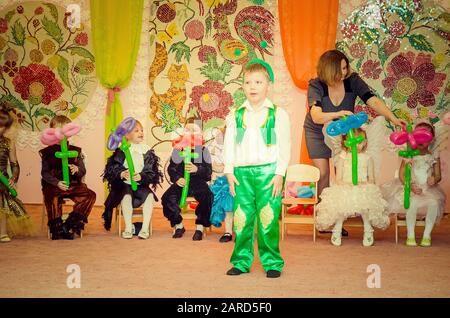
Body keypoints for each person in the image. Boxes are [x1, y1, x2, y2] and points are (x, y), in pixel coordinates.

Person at [224, 61, 291, 278]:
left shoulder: (277, 114)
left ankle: (272, 262)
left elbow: (285, 146)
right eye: (248, 82)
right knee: (242, 219)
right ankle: (241, 261)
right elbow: (229, 145)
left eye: (258, 82)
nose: (253, 86)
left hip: (268, 174)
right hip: (242, 175)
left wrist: (280, 173)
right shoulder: (235, 115)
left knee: (268, 218)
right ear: (242, 86)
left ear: (268, 85)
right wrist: (229, 171)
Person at [316, 125, 389, 246]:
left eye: (359, 142)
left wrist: (363, 184)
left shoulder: (367, 158)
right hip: (346, 187)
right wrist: (347, 184)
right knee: (341, 206)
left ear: (364, 142)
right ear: (346, 142)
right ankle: (337, 229)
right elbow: (338, 178)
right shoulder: (343, 157)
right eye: (353, 142)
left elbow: (371, 178)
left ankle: (368, 230)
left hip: (362, 187)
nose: (356, 145)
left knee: (365, 204)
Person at [382, 120, 445, 247]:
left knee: (434, 203)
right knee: (412, 204)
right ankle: (410, 235)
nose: (421, 141)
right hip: (411, 188)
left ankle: (426, 235)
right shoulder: (409, 154)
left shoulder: (433, 155)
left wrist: (434, 178)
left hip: (427, 189)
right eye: (418, 137)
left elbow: (438, 175)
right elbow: (402, 174)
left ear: (431, 139)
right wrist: (410, 186)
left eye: (425, 137)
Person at [103, 119, 162, 239]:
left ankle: (144, 229)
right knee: (126, 196)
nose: (141, 133)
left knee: (150, 196)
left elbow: (152, 172)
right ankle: (129, 227)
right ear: (127, 135)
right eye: (136, 131)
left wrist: (142, 176)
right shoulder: (122, 150)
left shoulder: (146, 150)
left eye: (141, 130)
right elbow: (112, 169)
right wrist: (122, 173)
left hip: (140, 185)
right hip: (124, 186)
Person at [40, 115, 96, 240]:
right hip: (54, 186)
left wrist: (77, 170)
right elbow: (45, 173)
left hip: (73, 185)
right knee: (52, 197)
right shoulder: (47, 152)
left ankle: (70, 224)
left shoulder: (76, 151)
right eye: (58, 131)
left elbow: (82, 171)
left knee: (90, 195)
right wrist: (56, 182)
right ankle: (57, 229)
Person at [162, 118, 213, 241]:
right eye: (187, 130)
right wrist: (177, 178)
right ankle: (179, 225)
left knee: (207, 195)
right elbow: (171, 169)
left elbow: (208, 173)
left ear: (200, 133)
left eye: (193, 130)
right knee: (167, 198)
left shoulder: (203, 150)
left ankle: (200, 227)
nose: (190, 133)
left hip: (198, 182)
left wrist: (197, 169)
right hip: (182, 182)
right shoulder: (178, 149)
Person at [0, 104, 33, 243]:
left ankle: (2, 232)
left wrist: (14, 178)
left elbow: (14, 164)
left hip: (2, 180)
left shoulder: (8, 143)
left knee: (2, 204)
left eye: (2, 126)